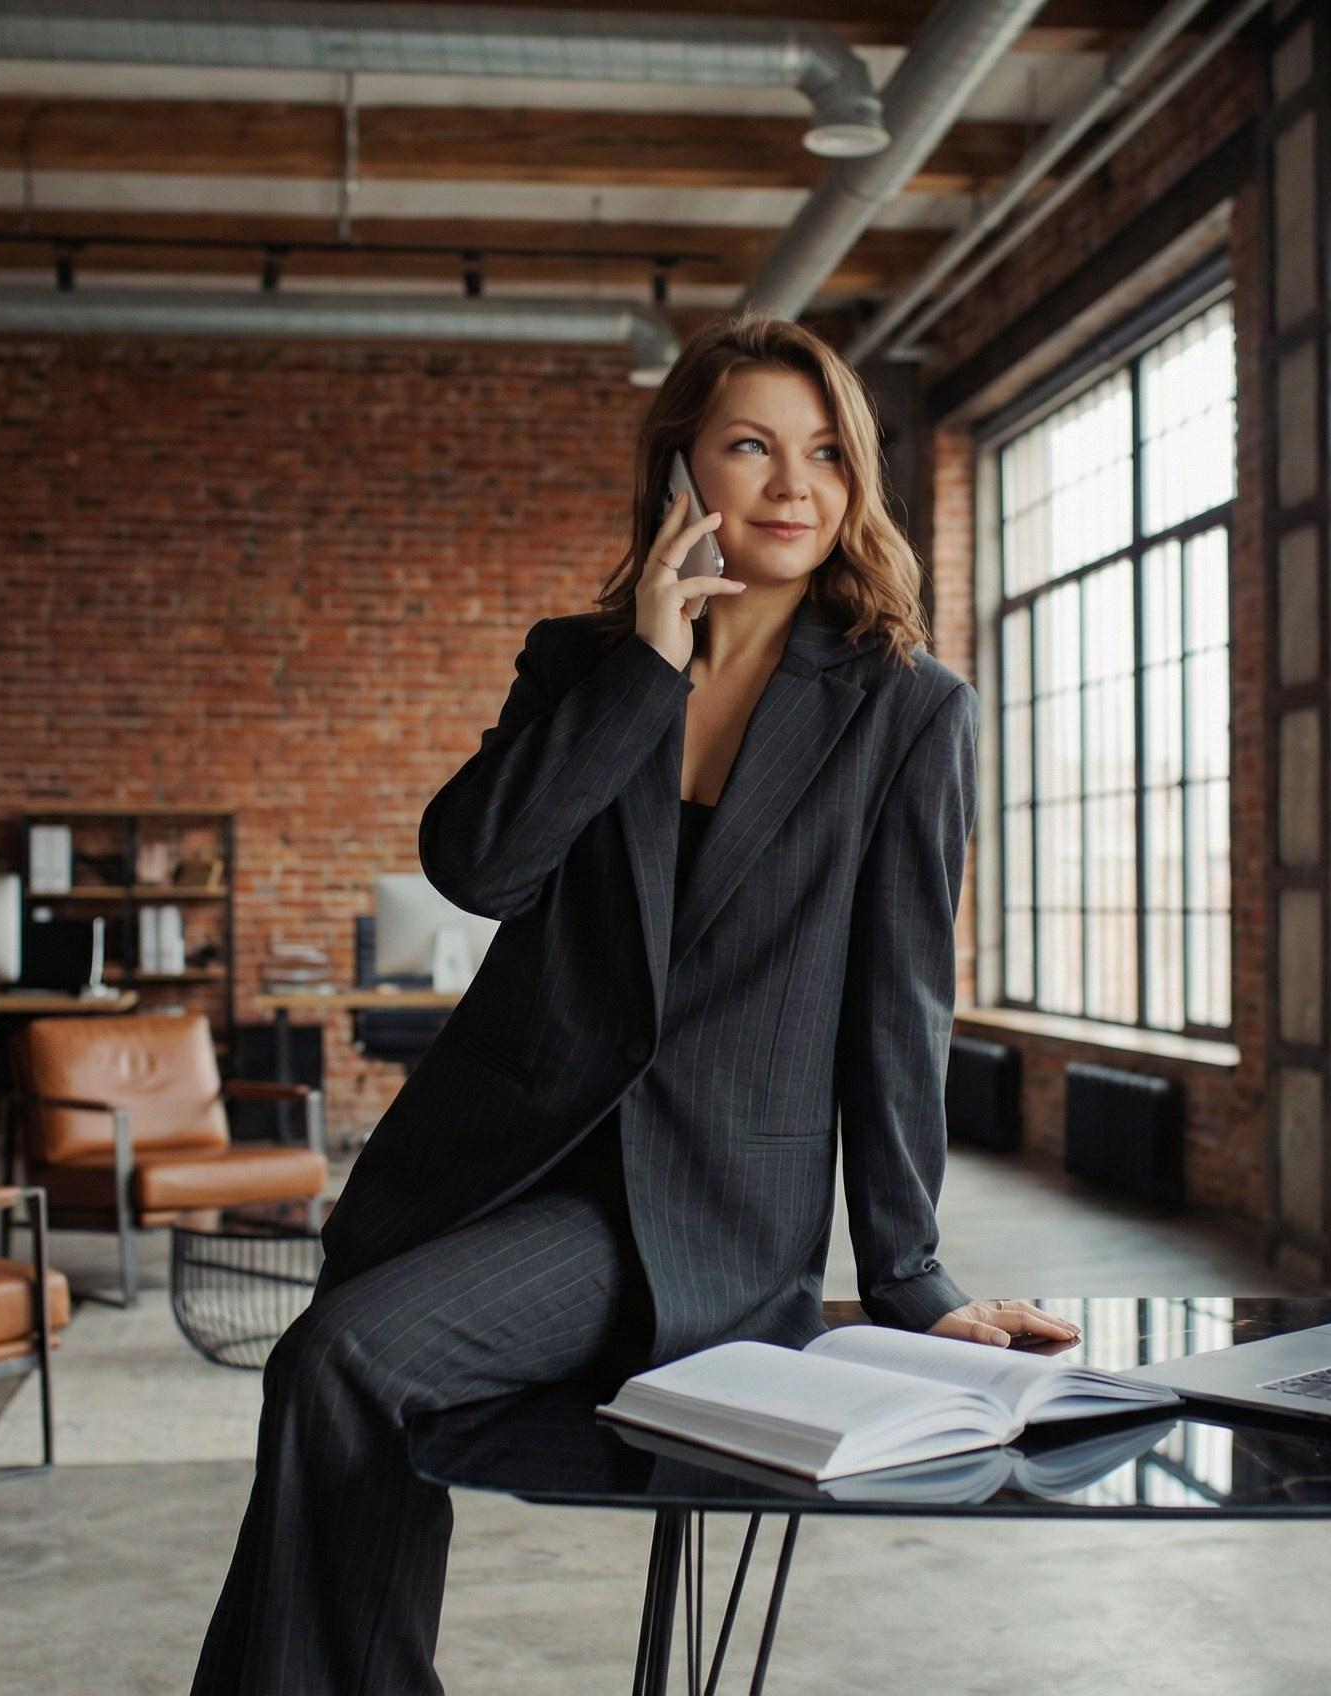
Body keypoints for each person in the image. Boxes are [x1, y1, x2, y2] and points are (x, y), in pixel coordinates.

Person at [192, 314, 1076, 1695]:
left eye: (827, 452)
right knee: (338, 1397)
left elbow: (899, 1007)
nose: (794, 485)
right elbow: (478, 866)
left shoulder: (907, 710)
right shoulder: (578, 662)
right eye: (751, 446)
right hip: (484, 1164)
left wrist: (909, 1274)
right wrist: (645, 669)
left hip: (692, 1218)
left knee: (340, 1365)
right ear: (682, 473)